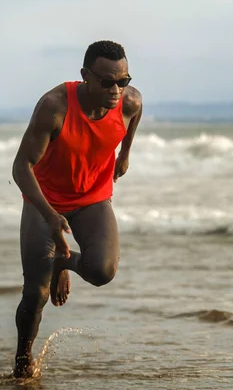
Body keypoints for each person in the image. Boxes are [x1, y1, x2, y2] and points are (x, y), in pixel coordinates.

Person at [11, 40, 143, 378]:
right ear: (85, 76)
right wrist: (51, 216)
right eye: (107, 82)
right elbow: (21, 167)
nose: (116, 89)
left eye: (123, 80)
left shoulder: (129, 101)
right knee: (35, 294)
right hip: (46, 202)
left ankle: (61, 261)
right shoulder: (54, 107)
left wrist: (124, 155)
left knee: (102, 271)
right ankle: (23, 363)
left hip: (93, 198)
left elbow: (135, 115)